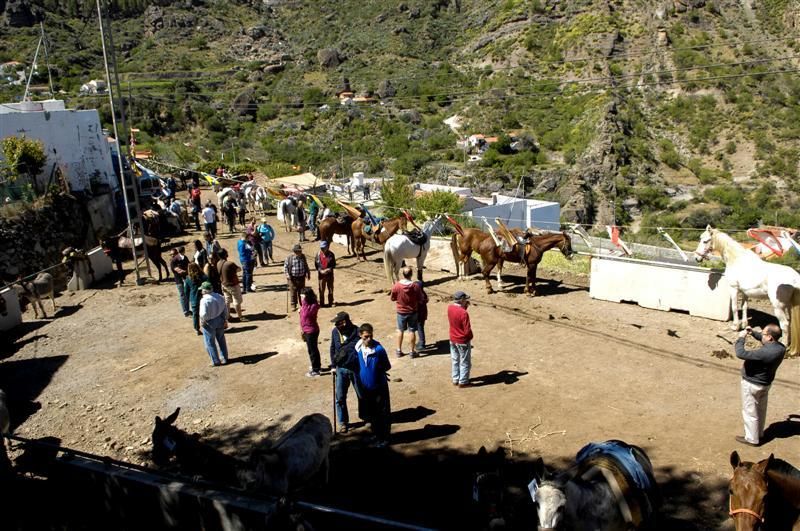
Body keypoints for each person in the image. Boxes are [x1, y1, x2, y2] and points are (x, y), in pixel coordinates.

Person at [734, 324, 786, 447]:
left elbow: (740, 353)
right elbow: (765, 339)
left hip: (752, 385)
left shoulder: (764, 353)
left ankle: (752, 439)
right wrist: (752, 333)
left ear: (769, 337)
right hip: (765, 385)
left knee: (750, 412)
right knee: (761, 410)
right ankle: (759, 433)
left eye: (763, 333)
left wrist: (741, 338)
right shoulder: (781, 348)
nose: (761, 335)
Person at [355, 323, 391, 448]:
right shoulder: (358, 346)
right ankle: (376, 435)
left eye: (370, 336)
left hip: (379, 387)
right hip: (366, 388)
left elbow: (387, 366)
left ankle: (384, 438)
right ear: (360, 336)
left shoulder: (379, 350)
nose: (368, 339)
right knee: (372, 413)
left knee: (382, 413)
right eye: (366, 337)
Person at [330, 311, 360, 433]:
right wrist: (333, 365)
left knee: (362, 395)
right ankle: (343, 422)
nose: (336, 325)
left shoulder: (357, 332)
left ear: (344, 322)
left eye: (337, 323)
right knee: (340, 397)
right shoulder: (335, 332)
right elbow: (332, 348)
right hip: (340, 369)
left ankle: (366, 416)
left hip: (355, 369)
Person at [390, 266, 423, 358]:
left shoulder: (397, 285)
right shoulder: (415, 286)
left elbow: (392, 298)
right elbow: (420, 299)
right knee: (412, 331)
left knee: (400, 330)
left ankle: (399, 350)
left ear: (403, 274)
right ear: (411, 274)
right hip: (412, 311)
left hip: (401, 312)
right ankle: (412, 352)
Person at [198, 281, 229, 367]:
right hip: (220, 319)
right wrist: (225, 319)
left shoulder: (204, 300)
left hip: (209, 322)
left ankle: (215, 361)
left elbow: (203, 314)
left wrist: (202, 321)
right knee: (221, 339)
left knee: (210, 342)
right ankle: (224, 358)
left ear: (204, 291)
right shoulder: (219, 296)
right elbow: (225, 310)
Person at [448, 291, 474, 388]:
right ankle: (463, 381)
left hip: (452, 338)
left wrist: (464, 307)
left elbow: (456, 315)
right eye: (465, 299)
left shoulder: (450, 308)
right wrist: (470, 337)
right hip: (462, 340)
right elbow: (467, 330)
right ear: (462, 300)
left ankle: (455, 379)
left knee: (455, 359)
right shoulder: (464, 313)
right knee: (465, 362)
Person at [217, 248, 245, 321]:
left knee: (227, 301)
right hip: (233, 285)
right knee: (237, 302)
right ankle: (240, 317)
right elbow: (239, 269)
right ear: (226, 255)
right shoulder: (230, 263)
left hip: (224, 285)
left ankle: (227, 316)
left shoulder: (218, 263)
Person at [300, 287, 322, 377]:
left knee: (312, 350)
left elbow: (306, 314)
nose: (301, 298)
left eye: (303, 296)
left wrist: (302, 306)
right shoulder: (306, 304)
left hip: (311, 331)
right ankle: (317, 365)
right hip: (306, 329)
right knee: (312, 349)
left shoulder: (313, 305)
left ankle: (316, 369)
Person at [284, 244, 310, 312]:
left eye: (300, 251)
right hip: (292, 278)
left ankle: (303, 305)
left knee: (302, 292)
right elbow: (285, 268)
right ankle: (293, 305)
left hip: (301, 277)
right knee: (293, 292)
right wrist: (287, 276)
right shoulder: (289, 258)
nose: (299, 253)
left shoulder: (303, 257)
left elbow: (306, 265)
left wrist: (308, 273)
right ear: (294, 251)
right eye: (298, 251)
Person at [184, 263, 208, 335]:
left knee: (195, 315)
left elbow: (186, 291)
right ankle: (207, 327)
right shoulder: (203, 277)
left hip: (194, 299)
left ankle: (197, 329)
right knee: (205, 313)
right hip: (204, 298)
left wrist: (188, 299)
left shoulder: (188, 279)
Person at [169, 247, 191, 317]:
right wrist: (186, 271)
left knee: (187, 295)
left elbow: (189, 265)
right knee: (182, 295)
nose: (172, 255)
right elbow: (178, 270)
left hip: (186, 279)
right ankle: (185, 311)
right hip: (179, 281)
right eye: (171, 254)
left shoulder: (184, 258)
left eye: (174, 254)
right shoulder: (172, 262)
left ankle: (187, 310)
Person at [315, 241, 336, 307]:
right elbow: (316, 265)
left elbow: (334, 264)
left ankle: (330, 302)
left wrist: (329, 269)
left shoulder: (331, 254)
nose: (322, 249)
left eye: (324, 248)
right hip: (321, 275)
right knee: (321, 289)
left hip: (329, 275)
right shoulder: (318, 255)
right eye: (321, 248)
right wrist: (320, 270)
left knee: (330, 289)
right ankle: (322, 303)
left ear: (327, 247)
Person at [416, 281, 429, 351]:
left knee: (420, 328)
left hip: (419, 315)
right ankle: (421, 341)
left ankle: (422, 343)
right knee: (420, 328)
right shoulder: (423, 293)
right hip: (423, 314)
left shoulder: (418, 296)